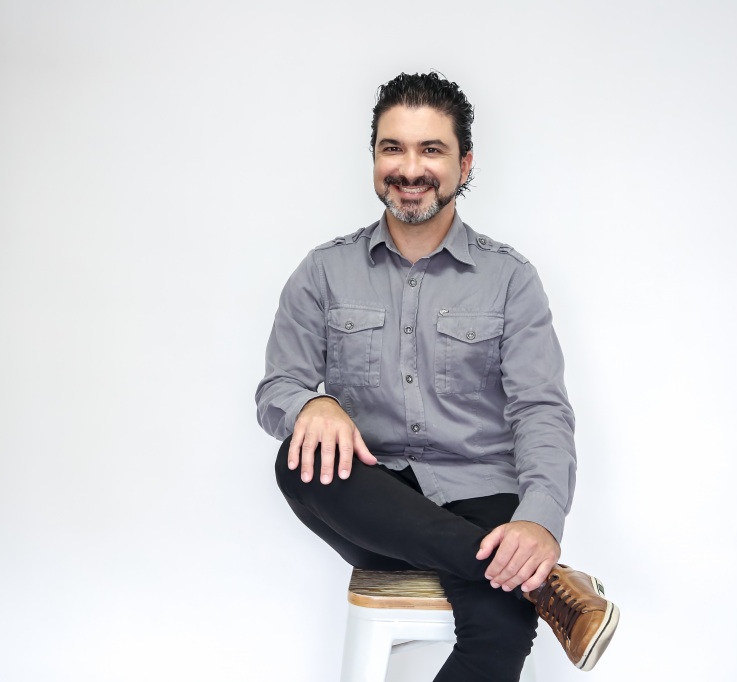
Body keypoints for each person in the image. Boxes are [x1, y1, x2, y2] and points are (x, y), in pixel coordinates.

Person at [256, 72, 618, 681]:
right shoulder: (322, 272)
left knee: (499, 629)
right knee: (299, 461)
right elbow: (276, 391)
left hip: (482, 493)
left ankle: (512, 571)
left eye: (431, 149)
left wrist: (537, 521)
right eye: (392, 148)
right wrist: (311, 406)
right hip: (373, 500)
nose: (409, 168)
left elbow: (541, 411)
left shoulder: (510, 279)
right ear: (374, 158)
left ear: (464, 164)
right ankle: (541, 583)